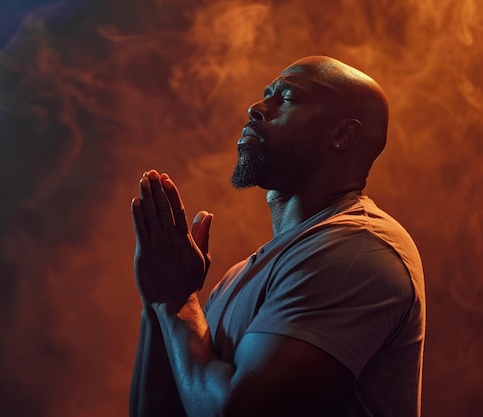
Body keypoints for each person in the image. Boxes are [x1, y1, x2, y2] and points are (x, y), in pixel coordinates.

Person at [129, 56, 425, 417]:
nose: (255, 108)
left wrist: (180, 303)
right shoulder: (237, 276)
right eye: (265, 94)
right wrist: (159, 302)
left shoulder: (357, 249)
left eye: (286, 98)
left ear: (343, 135)